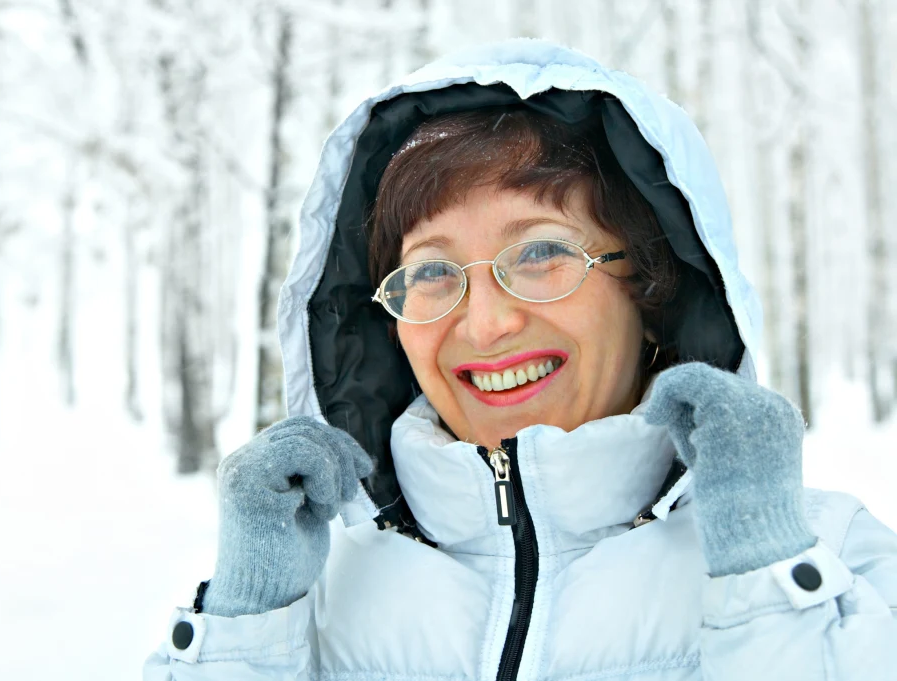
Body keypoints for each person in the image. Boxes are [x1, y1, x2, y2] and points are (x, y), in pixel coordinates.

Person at [144, 39, 897, 680]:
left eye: (539, 252)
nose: (487, 321)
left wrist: (765, 581)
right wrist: (245, 639)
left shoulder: (826, 558)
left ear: (652, 282)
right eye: (433, 271)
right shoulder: (306, 594)